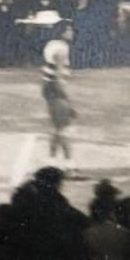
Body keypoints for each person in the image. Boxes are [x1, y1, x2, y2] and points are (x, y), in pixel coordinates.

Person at [42, 22, 76, 160]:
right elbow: (58, 78)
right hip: (55, 89)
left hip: (48, 88)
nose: (72, 32)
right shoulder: (62, 49)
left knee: (57, 128)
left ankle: (51, 162)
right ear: (62, 32)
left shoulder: (52, 44)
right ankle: (70, 168)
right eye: (69, 30)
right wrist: (68, 102)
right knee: (63, 129)